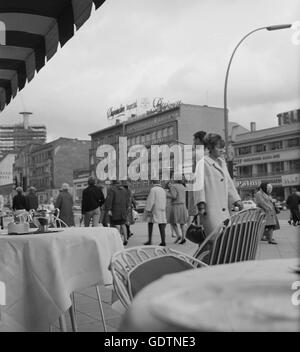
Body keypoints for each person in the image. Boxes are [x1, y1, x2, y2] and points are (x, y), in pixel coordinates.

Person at [194, 133, 243, 236]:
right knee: (213, 238)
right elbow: (199, 186)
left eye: (223, 148)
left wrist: (236, 199)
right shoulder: (203, 163)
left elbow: (229, 182)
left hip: (224, 210)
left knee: (223, 239)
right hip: (210, 210)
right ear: (210, 147)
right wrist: (201, 205)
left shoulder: (222, 163)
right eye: (219, 148)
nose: (222, 150)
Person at [105, 180, 130, 245]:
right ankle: (125, 239)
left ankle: (118, 240)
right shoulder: (124, 190)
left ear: (113, 183)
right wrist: (127, 208)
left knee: (116, 225)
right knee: (123, 224)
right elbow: (128, 200)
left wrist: (109, 209)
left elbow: (109, 200)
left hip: (115, 210)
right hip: (123, 210)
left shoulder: (112, 190)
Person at [144, 181, 167, 246]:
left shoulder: (153, 189)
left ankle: (149, 240)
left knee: (150, 223)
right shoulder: (163, 190)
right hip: (162, 208)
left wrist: (148, 209)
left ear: (152, 183)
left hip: (154, 209)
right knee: (161, 224)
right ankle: (163, 241)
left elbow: (151, 200)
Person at [169, 180, 188, 244]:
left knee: (172, 222)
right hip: (183, 205)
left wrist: (167, 194)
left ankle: (178, 235)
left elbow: (174, 196)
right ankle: (183, 237)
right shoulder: (183, 186)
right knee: (182, 223)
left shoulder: (173, 186)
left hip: (176, 205)